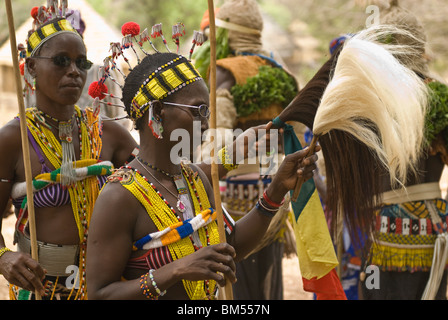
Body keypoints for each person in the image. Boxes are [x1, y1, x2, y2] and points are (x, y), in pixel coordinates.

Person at [85, 50, 320, 300]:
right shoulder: (120, 196)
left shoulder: (194, 179)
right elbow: (101, 294)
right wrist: (176, 270)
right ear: (157, 111)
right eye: (197, 111)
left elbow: (230, 248)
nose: (206, 124)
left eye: (206, 112)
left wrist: (276, 190)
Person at [0, 5, 137, 300]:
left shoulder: (109, 134)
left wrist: (228, 157)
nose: (74, 71)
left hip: (105, 284)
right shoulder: (14, 139)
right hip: (40, 288)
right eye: (61, 61)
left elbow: (159, 178)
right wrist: (3, 257)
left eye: (81, 63)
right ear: (32, 67)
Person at [193, 0, 300, 300]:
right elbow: (298, 135)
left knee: (236, 283)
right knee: (267, 283)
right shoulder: (281, 73)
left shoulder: (224, 72)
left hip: (235, 198)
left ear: (223, 35)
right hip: (275, 191)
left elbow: (214, 145)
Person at [358, 0, 448, 300]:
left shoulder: (370, 102)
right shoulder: (439, 97)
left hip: (384, 231)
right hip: (432, 229)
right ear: (419, 46)